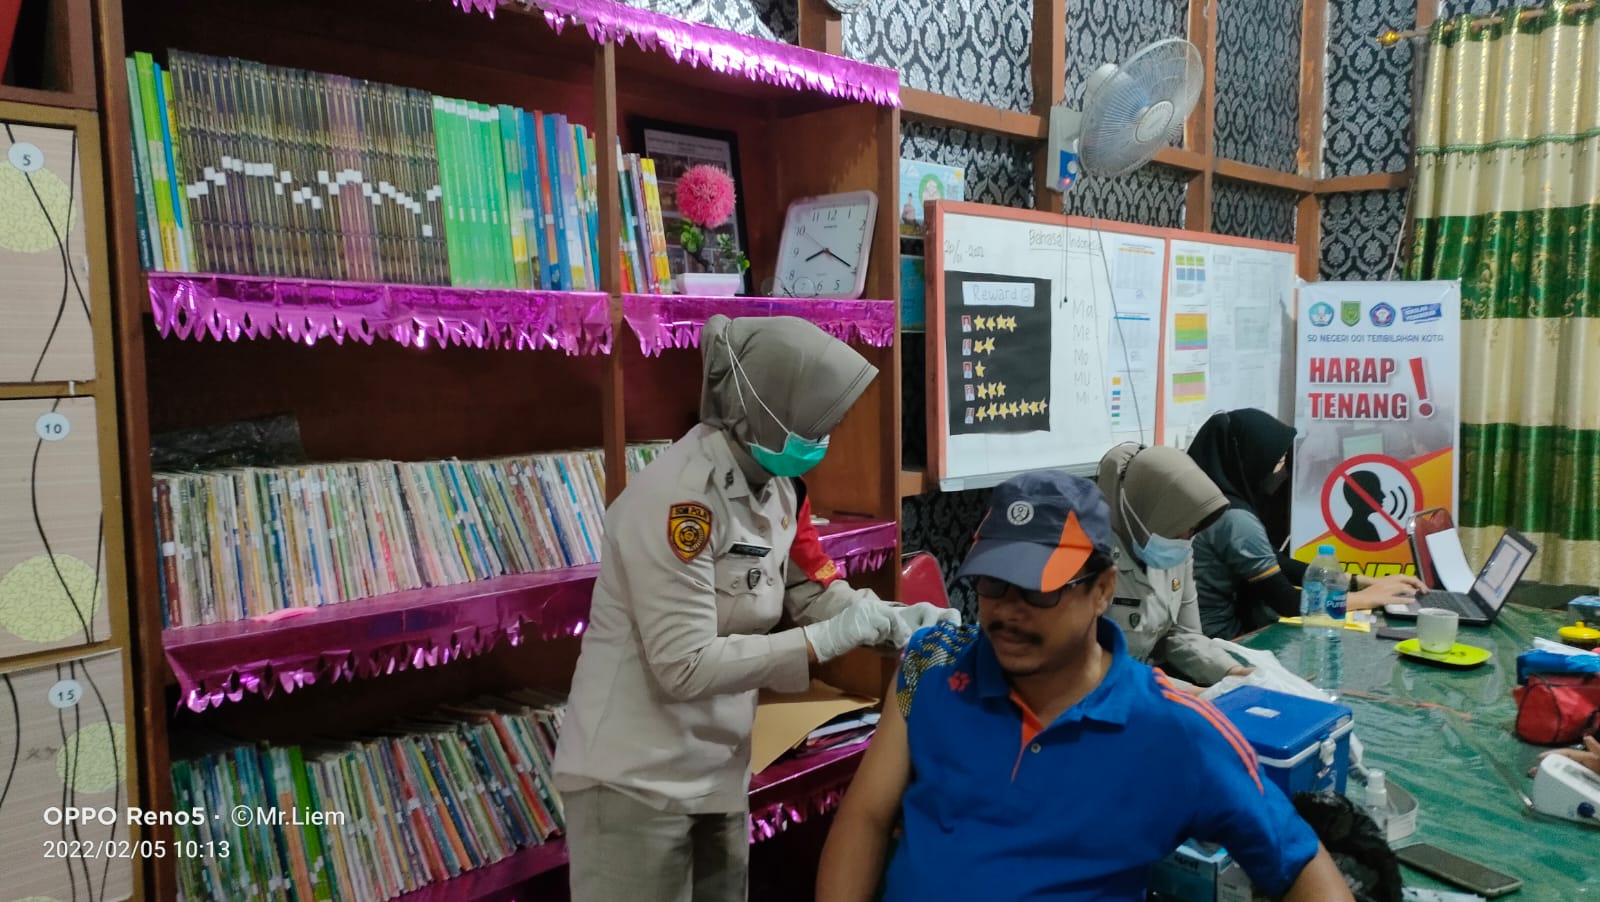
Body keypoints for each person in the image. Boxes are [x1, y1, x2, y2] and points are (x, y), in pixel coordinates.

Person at [552, 315, 955, 902]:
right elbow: (683, 665)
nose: (822, 438)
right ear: (763, 409)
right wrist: (824, 642)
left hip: (717, 768)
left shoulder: (780, 488)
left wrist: (889, 620)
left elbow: (810, 590)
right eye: (811, 423)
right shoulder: (680, 504)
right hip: (635, 779)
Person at [815, 470, 1352, 901]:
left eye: (1039, 590)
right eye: (993, 583)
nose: (1008, 611)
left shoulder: (1172, 729)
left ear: (1102, 590)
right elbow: (866, 817)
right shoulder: (931, 664)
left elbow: (1299, 863)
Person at [1187, 408, 1425, 639]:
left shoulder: (1208, 503)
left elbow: (1278, 563)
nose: (1280, 471)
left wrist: (1361, 582)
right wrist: (1368, 598)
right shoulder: (1235, 519)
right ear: (1251, 460)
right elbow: (1287, 602)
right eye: (1277, 462)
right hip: (1225, 640)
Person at [1096, 442, 1248, 686]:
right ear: (1145, 513)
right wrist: (1184, 693)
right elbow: (1089, 667)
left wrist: (1232, 672)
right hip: (1103, 692)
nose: (1186, 538)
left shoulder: (1176, 548)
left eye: (1192, 528)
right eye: (1178, 528)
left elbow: (1184, 634)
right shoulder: (1090, 560)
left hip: (1146, 684)